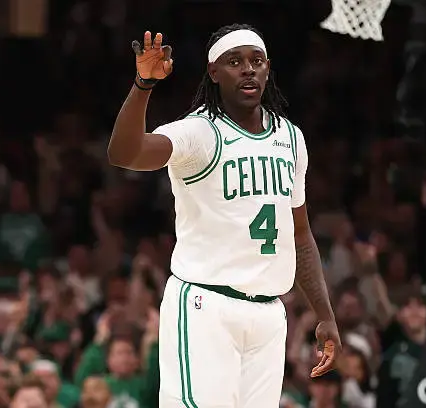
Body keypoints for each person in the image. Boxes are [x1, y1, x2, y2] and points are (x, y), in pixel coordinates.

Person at [108, 23, 342, 407]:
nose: (248, 69)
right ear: (214, 72)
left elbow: (299, 234)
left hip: (268, 314)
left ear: (268, 69)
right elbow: (124, 154)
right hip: (206, 306)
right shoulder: (199, 132)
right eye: (234, 62)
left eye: (256, 61)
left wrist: (324, 314)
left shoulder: (290, 138)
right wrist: (143, 85)